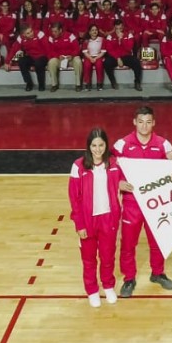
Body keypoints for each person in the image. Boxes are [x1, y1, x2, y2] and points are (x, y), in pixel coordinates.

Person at [112, 106, 172, 297]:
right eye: (141, 121)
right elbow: (108, 166)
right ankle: (129, 278)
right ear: (134, 122)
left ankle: (158, 273)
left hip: (156, 203)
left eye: (148, 122)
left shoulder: (163, 145)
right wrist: (118, 182)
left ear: (154, 123)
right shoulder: (122, 144)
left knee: (157, 241)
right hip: (132, 203)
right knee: (128, 244)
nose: (144, 126)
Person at [68, 127, 123, 308]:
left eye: (101, 145)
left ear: (106, 146)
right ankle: (92, 290)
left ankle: (108, 286)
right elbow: (74, 198)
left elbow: (126, 180)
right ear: (88, 146)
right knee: (89, 259)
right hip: (87, 221)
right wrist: (79, 224)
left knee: (108, 257)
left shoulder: (115, 164)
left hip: (108, 219)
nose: (98, 149)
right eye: (94, 145)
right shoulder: (78, 166)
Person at [5, 25, 48, 92]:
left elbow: (47, 48)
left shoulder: (40, 34)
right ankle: (29, 83)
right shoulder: (20, 38)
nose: (31, 33)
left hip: (42, 56)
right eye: (28, 33)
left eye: (31, 31)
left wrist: (49, 60)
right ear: (23, 35)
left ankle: (41, 85)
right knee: (21, 61)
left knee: (38, 64)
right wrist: (7, 62)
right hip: (31, 57)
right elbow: (14, 50)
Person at [103, 20, 143, 91]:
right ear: (114, 28)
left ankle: (137, 82)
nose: (118, 30)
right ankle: (113, 81)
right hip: (115, 57)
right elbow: (109, 49)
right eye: (117, 28)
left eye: (120, 28)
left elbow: (129, 48)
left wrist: (121, 39)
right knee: (106, 62)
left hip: (126, 56)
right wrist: (118, 58)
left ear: (123, 27)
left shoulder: (129, 35)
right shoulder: (110, 36)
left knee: (136, 62)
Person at [46, 22, 82, 92]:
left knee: (78, 60)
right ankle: (54, 85)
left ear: (60, 30)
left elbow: (77, 48)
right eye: (52, 31)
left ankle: (78, 84)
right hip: (59, 59)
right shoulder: (51, 38)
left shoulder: (70, 36)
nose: (53, 33)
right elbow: (50, 51)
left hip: (71, 59)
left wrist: (72, 55)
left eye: (55, 31)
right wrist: (58, 56)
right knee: (51, 62)